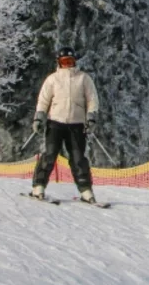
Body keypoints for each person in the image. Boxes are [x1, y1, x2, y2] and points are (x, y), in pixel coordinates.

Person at [29, 47, 101, 203]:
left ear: (75, 61)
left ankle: (85, 189)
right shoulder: (53, 79)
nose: (68, 64)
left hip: (77, 124)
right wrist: (39, 117)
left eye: (70, 61)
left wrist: (91, 117)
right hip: (55, 122)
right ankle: (38, 186)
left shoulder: (83, 78)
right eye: (64, 62)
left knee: (78, 158)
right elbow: (43, 100)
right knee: (49, 154)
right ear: (59, 63)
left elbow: (92, 99)